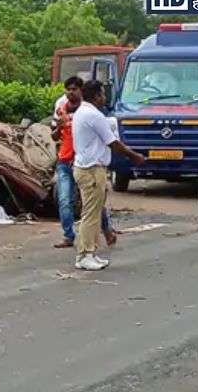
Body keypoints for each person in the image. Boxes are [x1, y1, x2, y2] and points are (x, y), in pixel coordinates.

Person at [71, 80, 144, 271]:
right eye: (103, 94)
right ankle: (84, 254)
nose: (105, 97)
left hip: (89, 167)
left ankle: (91, 252)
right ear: (96, 96)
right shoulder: (94, 115)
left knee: (94, 213)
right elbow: (113, 142)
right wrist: (133, 155)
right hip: (91, 169)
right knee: (90, 215)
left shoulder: (83, 112)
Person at [51, 77, 117, 249]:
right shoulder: (61, 109)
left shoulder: (87, 111)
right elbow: (53, 135)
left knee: (93, 201)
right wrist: (59, 126)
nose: (70, 92)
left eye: (74, 89)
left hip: (84, 162)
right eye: (68, 89)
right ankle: (70, 236)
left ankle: (102, 234)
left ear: (82, 91)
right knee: (65, 199)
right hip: (67, 160)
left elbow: (107, 138)